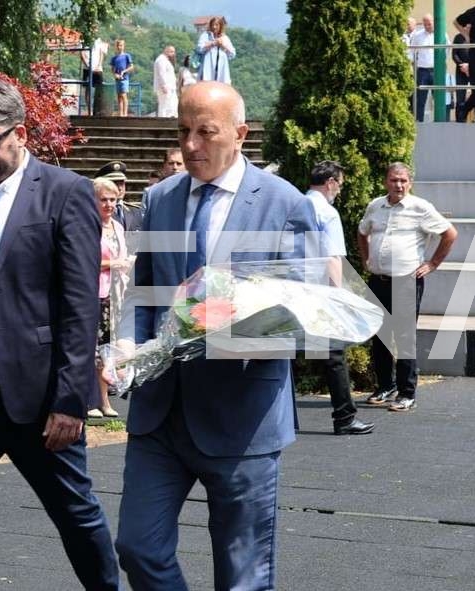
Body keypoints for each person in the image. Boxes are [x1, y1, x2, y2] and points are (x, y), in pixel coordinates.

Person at [113, 82, 318, 590]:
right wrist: (126, 346)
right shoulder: (159, 199)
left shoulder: (285, 204)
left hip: (242, 416)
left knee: (242, 576)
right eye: (183, 131)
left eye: (206, 132)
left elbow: (303, 313)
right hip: (160, 414)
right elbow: (144, 291)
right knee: (137, 547)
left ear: (240, 134)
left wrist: (226, 321)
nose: (190, 145)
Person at [0, 78, 120, 590]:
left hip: (37, 398)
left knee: (74, 514)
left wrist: (71, 399)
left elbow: (80, 305)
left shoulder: (65, 193)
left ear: (21, 133)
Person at [357, 163, 457, 412]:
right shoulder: (375, 205)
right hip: (378, 280)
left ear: (410, 183)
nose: (398, 185)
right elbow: (362, 232)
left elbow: (450, 234)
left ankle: (407, 392)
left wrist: (433, 263)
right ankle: (385, 385)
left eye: (403, 180)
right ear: (385, 182)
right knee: (380, 336)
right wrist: (366, 259)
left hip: (406, 282)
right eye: (394, 180)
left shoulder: (420, 208)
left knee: (404, 337)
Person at [304, 161, 376, 435]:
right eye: (340, 185)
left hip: (292, 289)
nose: (340, 190)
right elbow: (333, 258)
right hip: (320, 293)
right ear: (330, 182)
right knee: (334, 355)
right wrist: (339, 296)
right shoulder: (327, 213)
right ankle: (344, 417)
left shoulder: (295, 205)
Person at [90, 178, 129, 420]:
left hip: (116, 294)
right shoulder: (88, 226)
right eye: (103, 199)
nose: (109, 204)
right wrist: (112, 263)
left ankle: (104, 401)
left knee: (107, 348)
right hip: (94, 293)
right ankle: (90, 400)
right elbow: (85, 260)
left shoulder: (118, 226)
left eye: (112, 199)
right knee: (92, 348)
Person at [411, 14, 449, 122]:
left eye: (429, 24)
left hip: (437, 70)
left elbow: (447, 49)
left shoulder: (442, 34)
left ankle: (441, 121)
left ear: (434, 22)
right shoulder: (418, 35)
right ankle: (419, 121)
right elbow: (411, 51)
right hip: (422, 70)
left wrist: (443, 62)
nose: (427, 26)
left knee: (439, 98)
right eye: (425, 24)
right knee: (421, 98)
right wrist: (411, 63)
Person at [95, 160, 143, 232]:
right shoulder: (99, 212)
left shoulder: (136, 211)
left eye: (122, 183)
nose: (120, 188)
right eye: (115, 183)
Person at [196, 16, 236, 84]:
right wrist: (213, 43)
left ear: (220, 26)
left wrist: (222, 46)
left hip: (221, 71)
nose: (214, 27)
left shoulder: (225, 38)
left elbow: (232, 54)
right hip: (208, 69)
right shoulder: (205, 36)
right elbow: (199, 48)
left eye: (216, 25)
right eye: (213, 25)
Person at [80, 30, 108, 116]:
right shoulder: (83, 40)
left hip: (98, 69)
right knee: (87, 89)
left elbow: (102, 54)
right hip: (87, 68)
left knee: (99, 89)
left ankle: (98, 110)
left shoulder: (99, 41)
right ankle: (89, 110)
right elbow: (82, 54)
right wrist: (87, 65)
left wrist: (99, 65)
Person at [452, 31, 473, 121]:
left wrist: (470, 66)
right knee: (460, 97)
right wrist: (462, 65)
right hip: (461, 70)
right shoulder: (458, 37)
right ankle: (460, 120)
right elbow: (454, 54)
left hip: (474, 70)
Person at [110, 39, 134, 117]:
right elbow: (112, 69)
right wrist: (115, 74)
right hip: (117, 79)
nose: (119, 47)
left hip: (124, 78)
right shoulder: (114, 58)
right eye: (118, 45)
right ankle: (121, 114)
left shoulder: (127, 56)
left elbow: (131, 66)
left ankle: (125, 113)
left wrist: (124, 71)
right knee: (119, 96)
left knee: (124, 95)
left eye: (121, 45)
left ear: (124, 46)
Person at [153, 45, 178, 118]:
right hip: (165, 88)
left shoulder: (166, 60)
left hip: (170, 88)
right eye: (171, 52)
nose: (173, 54)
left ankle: (169, 120)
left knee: (171, 105)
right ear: (166, 51)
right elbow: (161, 74)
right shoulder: (161, 60)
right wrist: (164, 85)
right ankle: (163, 121)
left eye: (174, 52)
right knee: (164, 106)